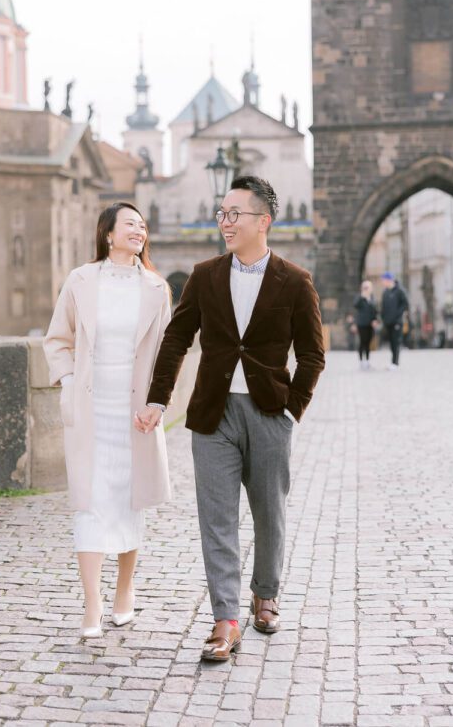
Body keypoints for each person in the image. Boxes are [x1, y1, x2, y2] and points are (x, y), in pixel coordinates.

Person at [135, 176, 325, 662]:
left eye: (234, 213)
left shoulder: (296, 280)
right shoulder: (204, 275)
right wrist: (159, 399)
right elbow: (177, 339)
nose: (225, 221)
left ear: (264, 221)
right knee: (216, 520)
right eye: (222, 213)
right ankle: (225, 619)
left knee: (269, 513)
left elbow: (312, 354)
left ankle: (266, 594)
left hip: (267, 413)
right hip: (212, 415)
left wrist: (290, 410)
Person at [43, 203, 171, 638]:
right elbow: (58, 338)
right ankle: (92, 604)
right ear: (108, 234)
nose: (139, 230)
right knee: (91, 502)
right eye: (130, 224)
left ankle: (124, 590)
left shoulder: (157, 287)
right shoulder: (81, 280)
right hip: (91, 408)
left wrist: (158, 404)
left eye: (142, 225)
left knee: (129, 500)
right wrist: (68, 382)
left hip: (134, 412)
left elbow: (166, 356)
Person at [380, 272, 409, 370]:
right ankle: (392, 362)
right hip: (388, 321)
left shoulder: (399, 291)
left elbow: (405, 304)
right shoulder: (385, 292)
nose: (383, 282)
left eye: (384, 280)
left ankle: (395, 363)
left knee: (396, 342)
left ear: (389, 280)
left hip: (397, 321)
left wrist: (398, 315)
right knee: (391, 342)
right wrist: (383, 318)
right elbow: (383, 307)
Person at [353, 280, 378, 369]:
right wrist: (362, 297)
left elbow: (375, 310)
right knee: (362, 342)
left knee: (368, 342)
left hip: (370, 324)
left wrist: (375, 320)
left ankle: (367, 360)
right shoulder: (359, 297)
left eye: (368, 287)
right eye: (365, 287)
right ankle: (361, 361)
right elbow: (355, 305)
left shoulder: (372, 297)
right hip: (361, 323)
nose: (366, 289)